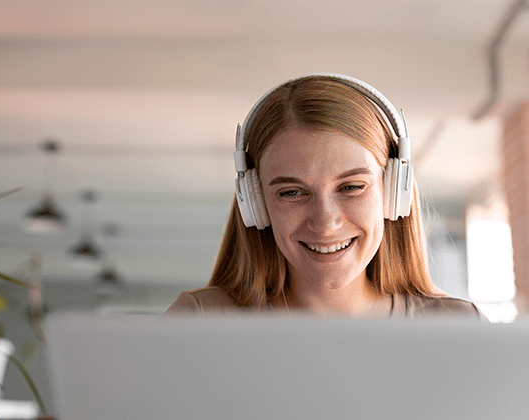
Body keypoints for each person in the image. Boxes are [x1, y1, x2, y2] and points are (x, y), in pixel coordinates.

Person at [166, 73, 486, 320]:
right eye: (292, 192)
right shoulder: (201, 319)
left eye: (351, 187)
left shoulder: (456, 325)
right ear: (256, 204)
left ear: (392, 192)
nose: (325, 222)